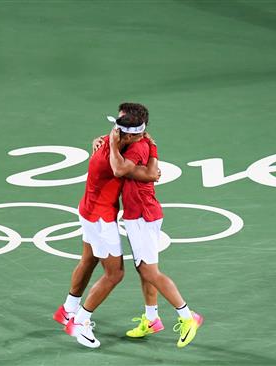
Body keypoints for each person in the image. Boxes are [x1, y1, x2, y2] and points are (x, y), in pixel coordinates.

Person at [53, 110, 159, 349]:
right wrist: (152, 154)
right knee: (115, 274)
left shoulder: (113, 136)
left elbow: (116, 142)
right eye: (139, 134)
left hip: (87, 209)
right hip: (101, 218)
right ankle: (80, 322)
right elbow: (144, 173)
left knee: (89, 259)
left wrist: (110, 141)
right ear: (128, 136)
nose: (143, 136)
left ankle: (68, 310)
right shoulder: (114, 155)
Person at [107, 103, 203, 348]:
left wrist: (109, 142)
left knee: (150, 271)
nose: (115, 128)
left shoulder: (137, 148)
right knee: (143, 269)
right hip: (138, 215)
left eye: (120, 124)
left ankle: (187, 316)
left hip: (143, 216)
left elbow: (118, 169)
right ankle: (151, 319)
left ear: (132, 129)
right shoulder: (140, 142)